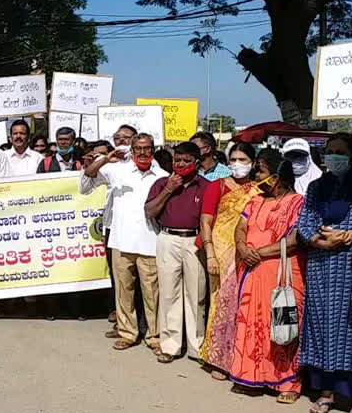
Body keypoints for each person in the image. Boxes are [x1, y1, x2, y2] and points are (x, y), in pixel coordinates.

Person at [297, 133, 352, 413]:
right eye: (330, 151)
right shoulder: (317, 187)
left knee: (351, 331)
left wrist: (349, 234)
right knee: (321, 325)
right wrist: (318, 240)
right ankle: (325, 391)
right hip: (320, 264)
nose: (334, 156)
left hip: (350, 265)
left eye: (340, 151)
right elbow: (305, 221)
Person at [229, 150, 304, 404]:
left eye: (260, 170)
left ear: (276, 175)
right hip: (251, 272)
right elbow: (240, 228)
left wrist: (259, 252)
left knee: (282, 325)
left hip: (281, 274)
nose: (256, 175)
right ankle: (253, 376)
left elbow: (294, 240)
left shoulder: (297, 202)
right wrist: (242, 247)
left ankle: (288, 382)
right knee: (251, 324)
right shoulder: (254, 200)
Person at [81, 133, 168, 352]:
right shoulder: (117, 170)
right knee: (123, 291)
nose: (142, 152)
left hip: (150, 243)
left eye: (146, 148)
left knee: (152, 294)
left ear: (153, 149)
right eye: (137, 148)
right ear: (131, 149)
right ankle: (128, 333)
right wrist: (105, 158)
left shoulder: (162, 175)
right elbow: (88, 179)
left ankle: (154, 336)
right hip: (120, 241)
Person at [198, 142, 261, 380]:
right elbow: (206, 222)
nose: (237, 165)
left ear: (253, 164)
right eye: (233, 160)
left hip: (248, 251)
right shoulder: (218, 186)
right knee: (221, 303)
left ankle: (241, 357)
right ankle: (219, 358)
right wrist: (211, 253)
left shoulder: (259, 188)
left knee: (245, 304)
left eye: (243, 160)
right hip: (221, 251)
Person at [145, 142, 210, 363]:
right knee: (168, 293)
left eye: (186, 161)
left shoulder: (206, 186)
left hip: (194, 240)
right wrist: (168, 189)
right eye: (177, 160)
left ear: (197, 163)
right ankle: (170, 345)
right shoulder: (161, 183)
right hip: (168, 239)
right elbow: (149, 211)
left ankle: (196, 346)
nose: (181, 164)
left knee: (196, 294)